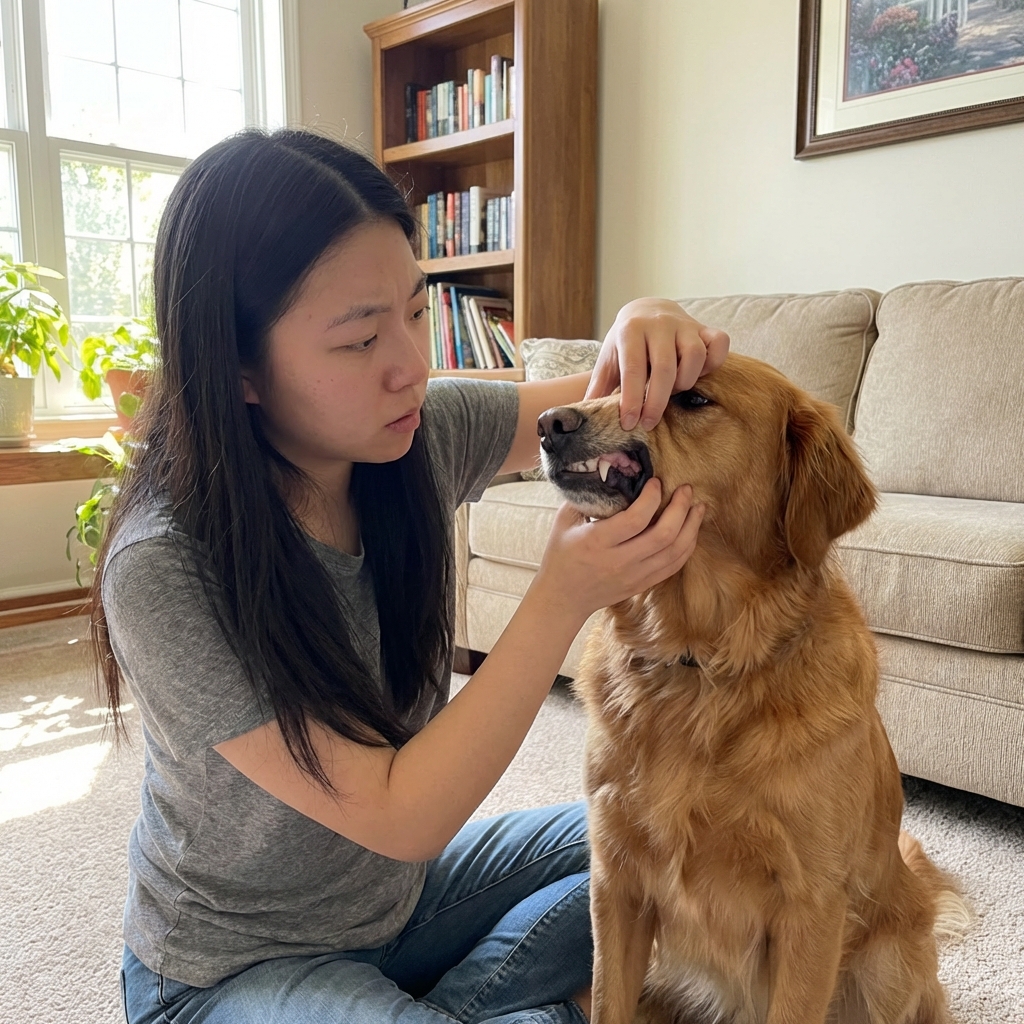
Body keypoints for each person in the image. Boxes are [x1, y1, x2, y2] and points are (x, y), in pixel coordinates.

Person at [98, 128, 728, 1024]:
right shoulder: (164, 563)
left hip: (401, 903)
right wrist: (561, 597)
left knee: (674, 840)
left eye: (414, 312)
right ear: (238, 369)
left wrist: (646, 323)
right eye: (359, 340)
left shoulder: (414, 433)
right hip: (227, 969)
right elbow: (402, 816)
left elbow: (614, 403)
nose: (411, 366)